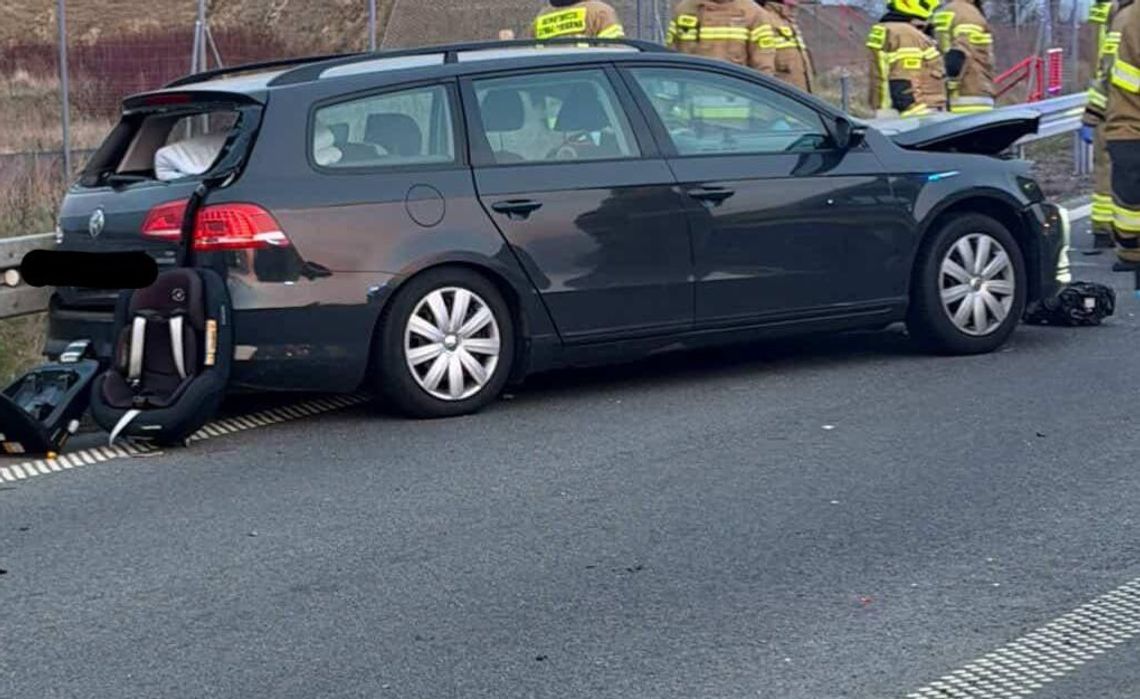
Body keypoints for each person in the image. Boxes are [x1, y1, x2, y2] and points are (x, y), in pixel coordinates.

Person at [1081, 1, 1119, 248]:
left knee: (1106, 170)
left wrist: (1091, 115)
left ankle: (1103, 231)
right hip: (1120, 109)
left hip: (1108, 106)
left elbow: (1101, 74)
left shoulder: (1099, 9)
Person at [866, 0, 947, 117]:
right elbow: (904, 81)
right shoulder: (906, 35)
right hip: (916, 115)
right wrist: (918, 119)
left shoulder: (889, 28)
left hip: (889, 111)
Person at [1105, 0, 1140, 268]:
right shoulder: (1128, 16)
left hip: (1124, 120)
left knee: (1127, 192)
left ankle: (1130, 252)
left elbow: (1108, 73)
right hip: (1126, 121)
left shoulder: (1125, 15)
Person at [666, 0, 775, 70]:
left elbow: (764, 67)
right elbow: (670, 57)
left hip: (737, 98)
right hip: (689, 96)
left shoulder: (754, 14)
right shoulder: (684, 10)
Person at [932, 0, 994, 113]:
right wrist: (952, 82)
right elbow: (961, 51)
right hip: (969, 92)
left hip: (948, 94)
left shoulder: (943, 11)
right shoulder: (968, 14)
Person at [755, 0, 814, 93]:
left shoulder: (787, 22)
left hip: (798, 101)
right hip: (778, 102)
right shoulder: (764, 20)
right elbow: (763, 69)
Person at [532, 0, 625, 41]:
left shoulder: (541, 18)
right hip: (587, 77)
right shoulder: (600, 13)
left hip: (548, 79)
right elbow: (617, 52)